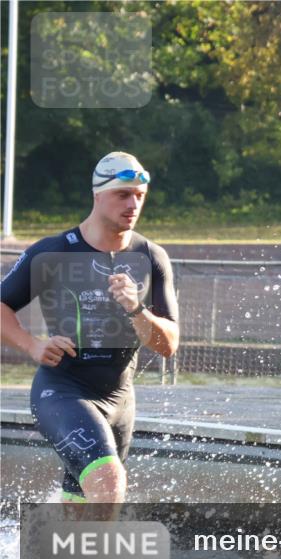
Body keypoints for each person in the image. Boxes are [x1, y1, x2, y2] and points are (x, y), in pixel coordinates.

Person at [1, 151, 179, 506]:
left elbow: (168, 344)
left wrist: (136, 308)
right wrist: (32, 346)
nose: (133, 204)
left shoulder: (151, 257)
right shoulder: (52, 253)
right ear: (98, 194)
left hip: (120, 400)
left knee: (85, 505)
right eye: (122, 194)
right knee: (109, 482)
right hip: (64, 391)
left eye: (139, 196)